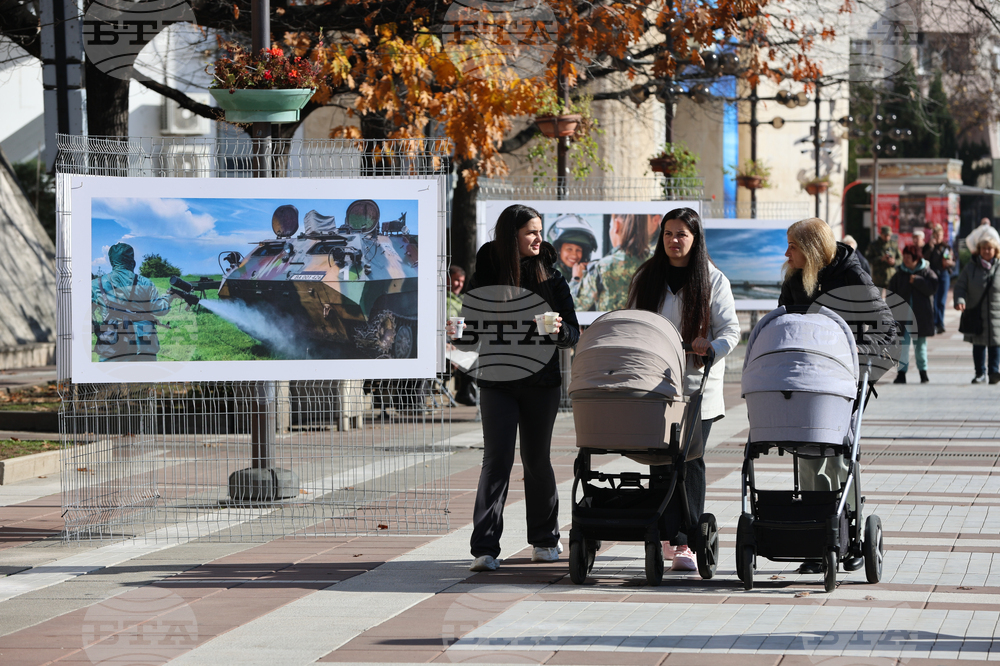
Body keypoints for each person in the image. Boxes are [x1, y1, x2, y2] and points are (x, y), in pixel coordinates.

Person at [460, 204, 580, 572]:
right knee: (497, 460)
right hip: (496, 381)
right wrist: (459, 332)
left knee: (536, 460)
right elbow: (470, 335)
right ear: (511, 236)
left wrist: (558, 330)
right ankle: (485, 548)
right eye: (530, 231)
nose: (539, 237)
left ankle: (545, 540)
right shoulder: (485, 276)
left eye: (540, 230)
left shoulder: (551, 278)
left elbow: (573, 334)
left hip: (540, 383)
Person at [626, 207, 740, 572]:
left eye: (682, 234)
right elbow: (631, 320)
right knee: (660, 460)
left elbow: (731, 331)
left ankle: (687, 541)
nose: (674, 241)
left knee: (689, 460)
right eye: (669, 234)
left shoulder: (712, 279)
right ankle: (662, 534)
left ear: (695, 239)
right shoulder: (647, 276)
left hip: (695, 388)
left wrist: (711, 347)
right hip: (655, 386)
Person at [780, 218, 896, 574]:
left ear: (812, 249)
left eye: (793, 247)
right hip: (805, 383)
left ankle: (845, 533)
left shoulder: (852, 276)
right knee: (808, 458)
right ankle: (816, 540)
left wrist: (851, 357)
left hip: (843, 383)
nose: (787, 253)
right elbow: (782, 322)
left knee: (839, 459)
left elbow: (887, 332)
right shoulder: (794, 279)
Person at [91, 243, 174, 362]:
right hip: (144, 344)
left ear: (112, 261)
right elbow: (160, 310)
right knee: (146, 379)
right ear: (132, 262)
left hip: (112, 343)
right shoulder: (145, 283)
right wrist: (169, 297)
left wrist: (97, 328)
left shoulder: (96, 284)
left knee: (110, 378)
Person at [576, 214, 651, 311]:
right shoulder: (656, 262)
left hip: (610, 326)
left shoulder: (602, 266)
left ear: (617, 225)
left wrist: (576, 279)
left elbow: (578, 306)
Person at [887, 244, 937, 384]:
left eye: (909, 257)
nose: (906, 260)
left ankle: (923, 373)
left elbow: (933, 287)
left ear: (916, 258)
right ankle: (901, 374)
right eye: (904, 257)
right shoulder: (899, 274)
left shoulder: (926, 271)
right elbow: (891, 295)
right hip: (903, 318)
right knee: (902, 346)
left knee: (920, 346)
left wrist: (917, 281)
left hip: (921, 317)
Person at [954, 234, 1000, 384]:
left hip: (996, 314)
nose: (986, 251)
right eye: (984, 248)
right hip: (976, 313)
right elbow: (960, 286)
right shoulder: (971, 267)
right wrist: (960, 300)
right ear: (979, 250)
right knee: (978, 345)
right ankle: (980, 373)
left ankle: (994, 372)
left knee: (995, 345)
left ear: (995, 250)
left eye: (990, 249)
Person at [446, 265, 477, 406]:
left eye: (462, 281)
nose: (459, 284)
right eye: (456, 280)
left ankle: (464, 391)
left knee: (477, 352)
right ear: (447, 279)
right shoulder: (439, 299)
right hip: (444, 341)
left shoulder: (463, 299)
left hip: (461, 341)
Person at [546, 214, 599, 288]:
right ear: (558, 250)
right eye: (569, 249)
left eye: (578, 250)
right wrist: (576, 280)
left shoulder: (591, 276)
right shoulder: (546, 277)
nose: (574, 255)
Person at [923, 224, 956, 334]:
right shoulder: (928, 247)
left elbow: (953, 262)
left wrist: (949, 262)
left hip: (943, 275)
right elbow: (924, 259)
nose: (938, 237)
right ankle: (935, 322)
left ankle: (940, 323)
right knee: (934, 300)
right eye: (936, 235)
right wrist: (931, 247)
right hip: (932, 275)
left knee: (941, 300)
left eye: (940, 235)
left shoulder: (946, 247)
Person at [866, 224, 901, 290]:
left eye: (889, 235)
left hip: (891, 276)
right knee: (877, 298)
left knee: (891, 298)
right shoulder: (874, 245)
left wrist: (894, 262)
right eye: (885, 235)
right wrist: (881, 259)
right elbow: (868, 259)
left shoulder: (894, 244)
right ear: (881, 234)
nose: (887, 237)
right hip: (878, 278)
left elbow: (900, 259)